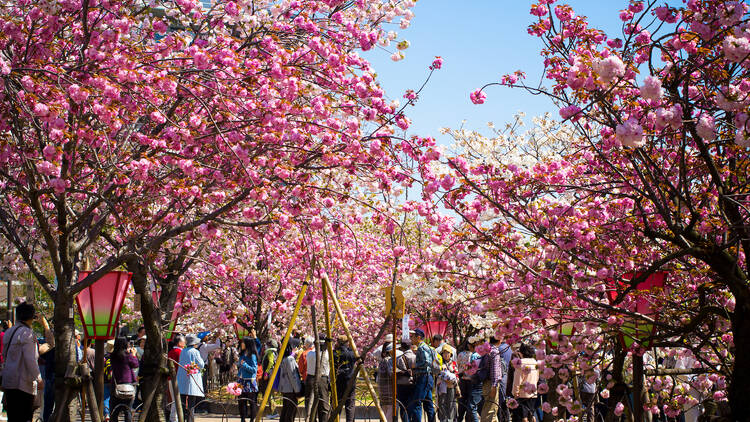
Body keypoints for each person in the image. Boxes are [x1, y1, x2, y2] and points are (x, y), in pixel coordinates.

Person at [1, 303, 42, 422]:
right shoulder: (27, 333)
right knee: (24, 417)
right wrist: (38, 378)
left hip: (9, 381)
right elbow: (30, 359)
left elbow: (4, 354)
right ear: (31, 317)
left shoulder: (9, 331)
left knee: (13, 417)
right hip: (23, 383)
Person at [408, 329, 436, 422]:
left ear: (418, 337)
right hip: (428, 377)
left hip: (424, 377)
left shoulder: (422, 348)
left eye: (412, 336)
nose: (411, 338)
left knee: (416, 402)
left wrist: (414, 365)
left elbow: (426, 362)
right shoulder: (427, 347)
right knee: (428, 404)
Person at [109, 336, 139, 422]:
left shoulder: (112, 356)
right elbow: (136, 365)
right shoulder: (128, 356)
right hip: (128, 384)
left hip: (115, 385)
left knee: (114, 410)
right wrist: (133, 355)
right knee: (127, 410)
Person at [177, 334, 205, 422]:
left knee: (182, 400)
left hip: (182, 378)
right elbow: (201, 364)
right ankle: (190, 419)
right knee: (191, 403)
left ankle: (182, 418)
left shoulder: (183, 351)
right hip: (192, 378)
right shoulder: (195, 351)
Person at [306, 336, 331, 422]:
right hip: (322, 379)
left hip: (310, 379)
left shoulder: (309, 354)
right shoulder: (327, 354)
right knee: (323, 405)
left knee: (310, 405)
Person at [510, 344, 538, 422]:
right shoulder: (535, 362)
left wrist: (515, 392)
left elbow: (517, 380)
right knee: (531, 414)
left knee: (523, 416)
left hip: (522, 393)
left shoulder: (520, 363)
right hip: (533, 392)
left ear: (521, 353)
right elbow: (537, 378)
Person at [480, 337, 504, 422]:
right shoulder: (494, 351)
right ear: (499, 339)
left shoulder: (486, 349)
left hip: (486, 382)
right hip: (491, 383)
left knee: (488, 408)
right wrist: (494, 386)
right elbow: (495, 371)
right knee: (490, 410)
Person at [333, 335, 356, 422]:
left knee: (336, 404)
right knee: (350, 404)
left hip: (337, 382)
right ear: (347, 343)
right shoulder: (351, 354)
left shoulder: (334, 354)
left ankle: (335, 420)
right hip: (349, 381)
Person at [457, 341, 482, 422]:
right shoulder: (477, 355)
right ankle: (468, 419)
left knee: (461, 402)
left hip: (463, 379)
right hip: (472, 381)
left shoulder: (461, 354)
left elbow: (459, 366)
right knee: (470, 403)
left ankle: (459, 419)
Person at [277, 344, 302, 422]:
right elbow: (293, 376)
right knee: (291, 411)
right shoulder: (289, 359)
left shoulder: (282, 359)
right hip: (291, 389)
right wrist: (298, 390)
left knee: (285, 409)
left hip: (284, 388)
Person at [237, 337, 259, 422]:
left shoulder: (252, 356)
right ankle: (242, 419)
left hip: (249, 381)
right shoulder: (242, 354)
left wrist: (244, 365)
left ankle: (252, 419)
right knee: (241, 402)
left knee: (251, 402)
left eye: (243, 343)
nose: (241, 344)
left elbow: (254, 369)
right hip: (241, 380)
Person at [437, 345, 458, 422]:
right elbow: (437, 374)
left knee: (451, 403)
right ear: (442, 354)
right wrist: (444, 378)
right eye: (444, 353)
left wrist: (454, 382)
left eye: (448, 353)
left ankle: (451, 419)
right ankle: (443, 420)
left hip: (451, 386)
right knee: (442, 403)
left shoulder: (454, 363)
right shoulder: (440, 363)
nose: (446, 354)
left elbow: (456, 374)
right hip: (442, 387)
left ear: (451, 354)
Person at [396, 340, 416, 422]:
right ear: (410, 346)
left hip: (401, 384)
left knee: (403, 406)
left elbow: (395, 371)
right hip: (412, 383)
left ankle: (405, 420)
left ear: (402, 347)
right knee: (411, 404)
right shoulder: (415, 357)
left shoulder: (399, 358)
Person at [168, 335, 186, 422]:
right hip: (177, 379)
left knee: (174, 399)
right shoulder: (180, 352)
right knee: (176, 399)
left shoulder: (170, 352)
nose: (185, 343)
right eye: (184, 341)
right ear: (179, 343)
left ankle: (174, 417)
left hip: (170, 378)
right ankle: (173, 418)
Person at [377, 343, 396, 422]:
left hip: (382, 390)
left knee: (384, 411)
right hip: (388, 390)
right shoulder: (389, 360)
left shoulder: (382, 360)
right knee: (390, 412)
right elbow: (391, 373)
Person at [298, 336, 314, 419]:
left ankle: (308, 417)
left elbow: (300, 368)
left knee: (308, 399)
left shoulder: (304, 354)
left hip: (307, 378)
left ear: (306, 344)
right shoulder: (317, 353)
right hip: (318, 379)